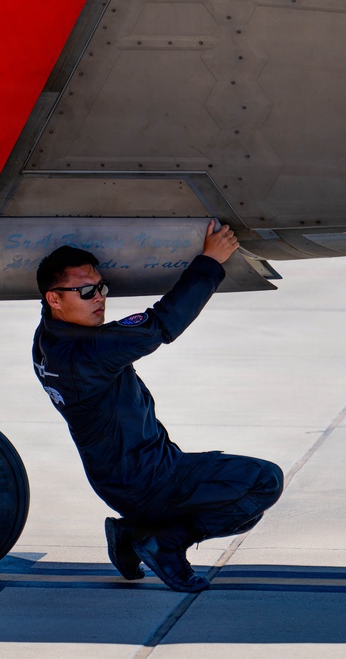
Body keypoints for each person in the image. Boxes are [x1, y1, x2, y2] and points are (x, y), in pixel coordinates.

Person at [31, 221, 283, 593]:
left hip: (121, 478)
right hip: (149, 480)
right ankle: (164, 544)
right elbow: (163, 323)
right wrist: (210, 260)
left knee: (241, 511)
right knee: (264, 483)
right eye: (86, 291)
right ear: (54, 299)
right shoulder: (90, 351)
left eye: (101, 287)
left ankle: (133, 532)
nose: (99, 298)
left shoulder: (46, 339)